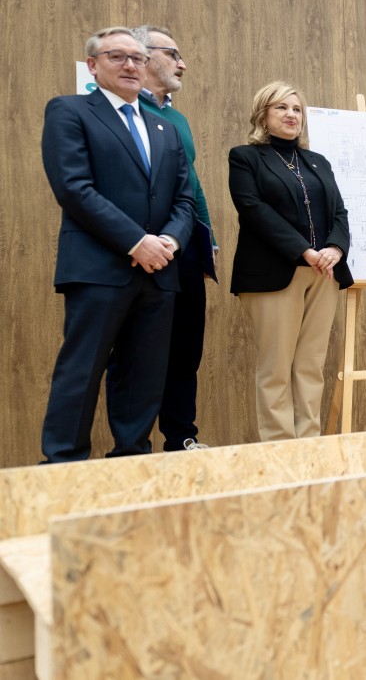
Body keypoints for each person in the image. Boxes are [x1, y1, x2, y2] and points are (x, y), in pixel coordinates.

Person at [40, 27, 195, 463]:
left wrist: (168, 241)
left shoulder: (164, 127)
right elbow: (74, 188)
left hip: (159, 271)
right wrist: (136, 241)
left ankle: (132, 463)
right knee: (81, 373)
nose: (130, 65)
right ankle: (61, 469)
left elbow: (184, 198)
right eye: (117, 57)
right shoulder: (70, 112)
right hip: (98, 269)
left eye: (138, 58)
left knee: (142, 378)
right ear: (93, 66)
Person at [228, 81, 353, 441]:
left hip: (324, 274)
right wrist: (304, 250)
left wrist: (335, 248)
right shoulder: (245, 157)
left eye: (297, 109)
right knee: (276, 369)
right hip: (273, 274)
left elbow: (340, 212)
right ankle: (280, 450)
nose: (291, 115)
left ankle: (309, 446)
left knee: (311, 367)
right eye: (282, 108)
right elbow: (253, 210)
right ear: (263, 116)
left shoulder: (317, 161)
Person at [133, 25, 214, 451]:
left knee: (186, 348)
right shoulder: (124, 111)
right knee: (141, 351)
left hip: (183, 246)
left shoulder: (177, 118)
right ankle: (134, 445)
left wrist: (206, 240)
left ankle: (182, 437)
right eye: (173, 54)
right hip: (139, 249)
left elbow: (192, 185)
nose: (182, 63)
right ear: (144, 57)